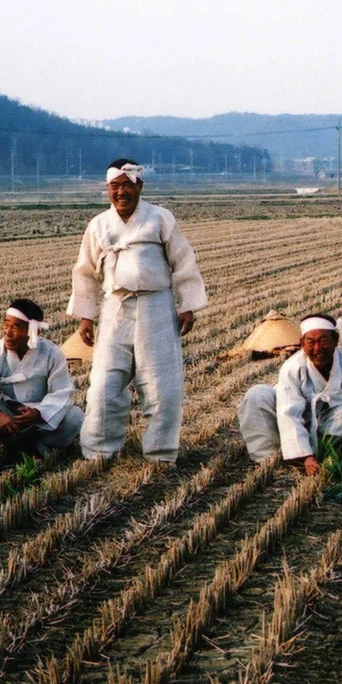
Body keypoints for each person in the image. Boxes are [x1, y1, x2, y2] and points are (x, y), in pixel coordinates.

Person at [67, 159, 207, 463]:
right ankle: (99, 451)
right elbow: (85, 271)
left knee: (160, 383)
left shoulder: (160, 219)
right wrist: (85, 316)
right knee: (105, 382)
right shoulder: (98, 225)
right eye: (115, 186)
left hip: (155, 305)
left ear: (139, 186)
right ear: (107, 189)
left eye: (127, 185)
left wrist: (188, 306)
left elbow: (183, 262)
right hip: (115, 307)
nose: (121, 192)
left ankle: (160, 452)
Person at [237, 313, 342, 475]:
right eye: (310, 342)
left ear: (335, 341)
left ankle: (332, 452)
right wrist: (305, 456)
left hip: (329, 423)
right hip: (295, 420)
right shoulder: (292, 368)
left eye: (323, 341)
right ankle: (278, 456)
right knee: (257, 395)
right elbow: (289, 414)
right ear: (302, 344)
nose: (317, 349)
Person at [0, 299, 83, 456]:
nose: (7, 332)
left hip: (35, 416)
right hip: (3, 412)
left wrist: (39, 413)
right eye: (6, 324)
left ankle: (34, 450)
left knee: (74, 417)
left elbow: (62, 391)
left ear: (33, 332)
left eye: (16, 326)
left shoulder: (51, 354)